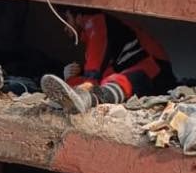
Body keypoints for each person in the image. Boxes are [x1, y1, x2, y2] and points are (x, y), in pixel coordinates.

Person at [41, 9, 173, 113]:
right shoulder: (98, 31)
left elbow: (92, 78)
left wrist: (71, 82)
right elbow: (99, 75)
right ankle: (84, 99)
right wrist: (70, 78)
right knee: (111, 80)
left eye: (66, 19)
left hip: (153, 73)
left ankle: (87, 100)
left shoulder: (96, 23)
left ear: (76, 15)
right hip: (145, 74)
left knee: (117, 81)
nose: (65, 28)